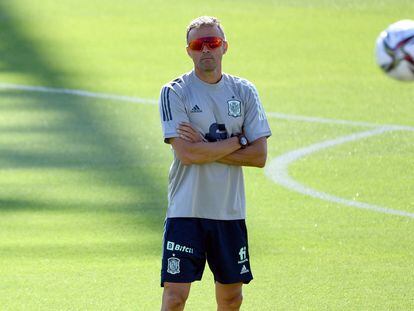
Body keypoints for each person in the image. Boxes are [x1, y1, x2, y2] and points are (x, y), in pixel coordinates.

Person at [158, 16, 271, 311]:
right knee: (174, 298)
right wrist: (240, 140)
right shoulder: (175, 91)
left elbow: (259, 157)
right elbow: (187, 154)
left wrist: (206, 146)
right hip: (186, 211)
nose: (206, 49)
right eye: (198, 44)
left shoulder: (245, 91)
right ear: (189, 51)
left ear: (224, 47)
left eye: (213, 43)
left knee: (232, 299)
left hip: (228, 212)